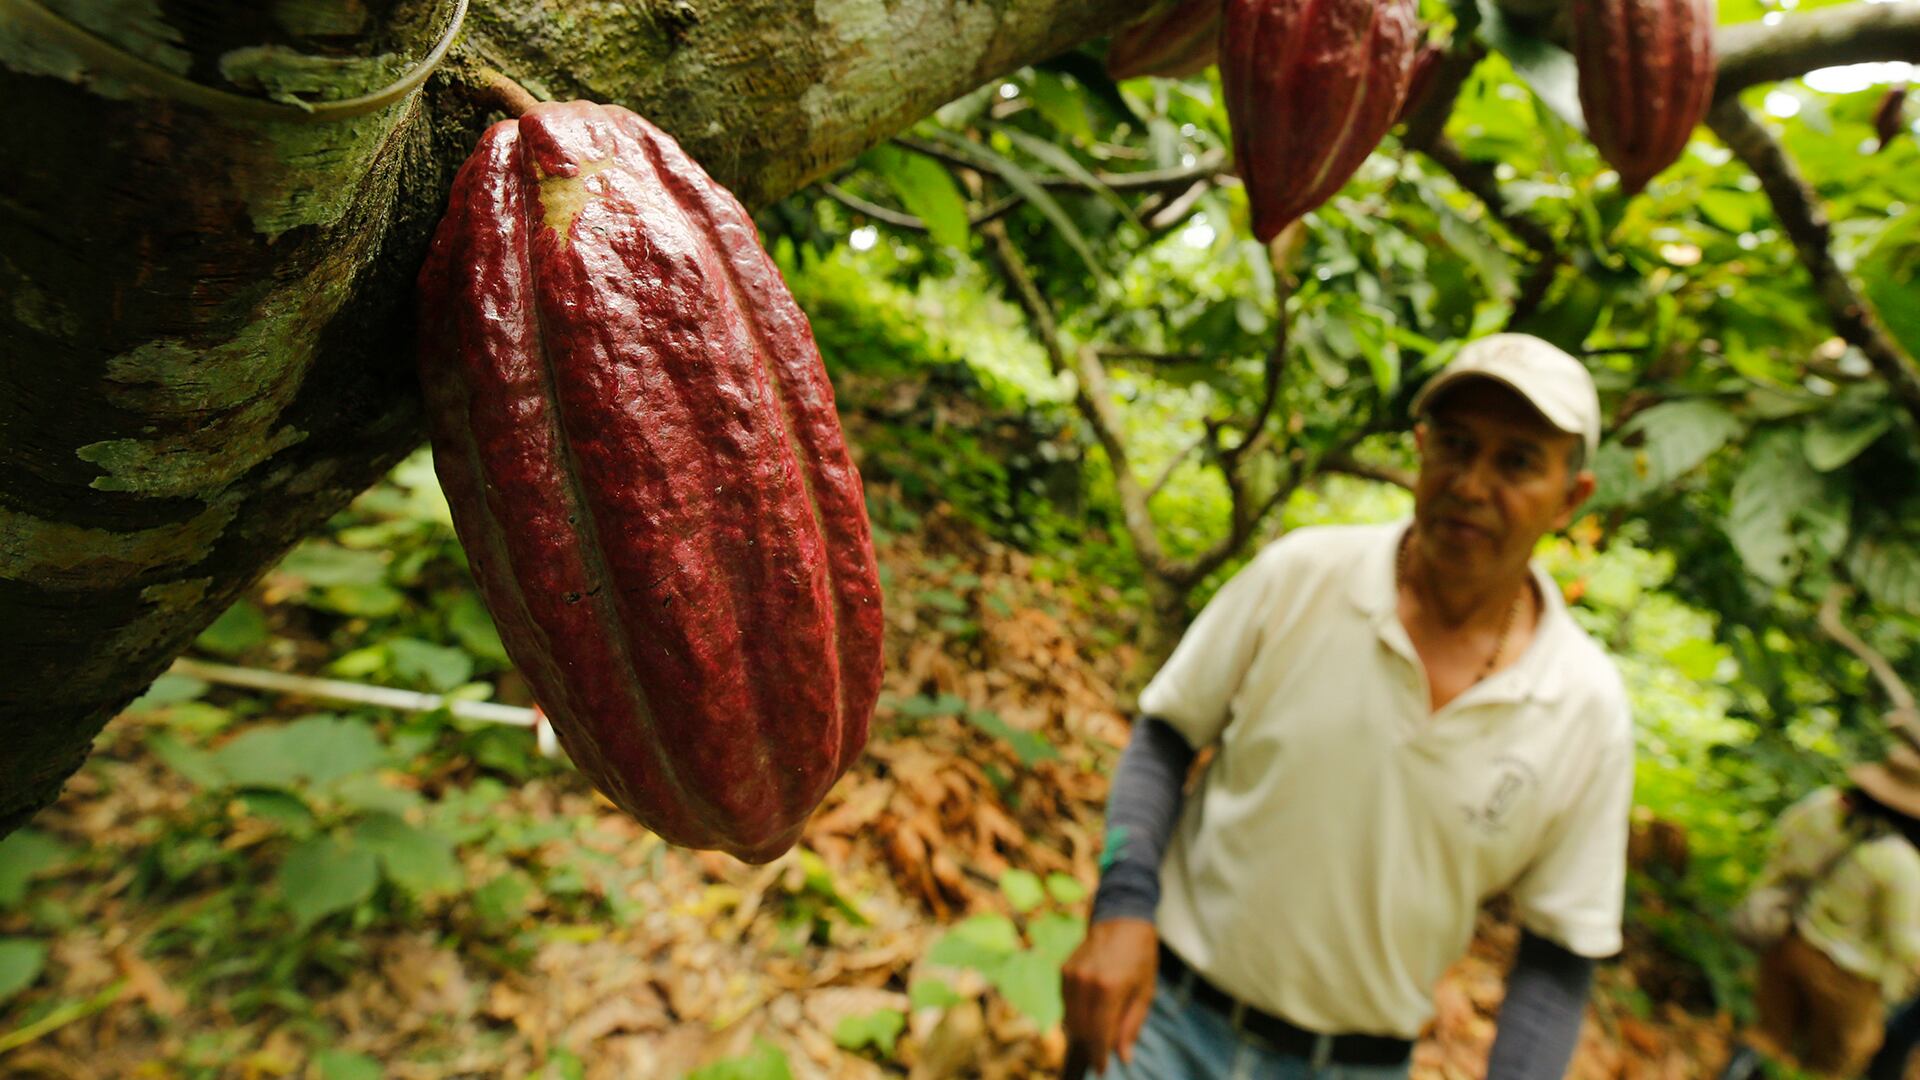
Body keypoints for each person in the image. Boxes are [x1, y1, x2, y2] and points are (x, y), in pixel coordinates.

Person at [1061, 333, 1634, 1079]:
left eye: (1517, 461)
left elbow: (1558, 958)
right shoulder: (1304, 577)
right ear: (1421, 450)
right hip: (1163, 1023)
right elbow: (1168, 735)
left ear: (1571, 498)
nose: (1470, 483)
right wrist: (1122, 908)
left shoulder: (1584, 708)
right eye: (1455, 446)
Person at [1719, 734, 1920, 1080]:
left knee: (1766, 1036)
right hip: (1847, 976)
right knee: (1832, 1065)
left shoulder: (1822, 807)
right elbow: (1905, 943)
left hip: (1788, 938)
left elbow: (1781, 852)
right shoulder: (1898, 860)